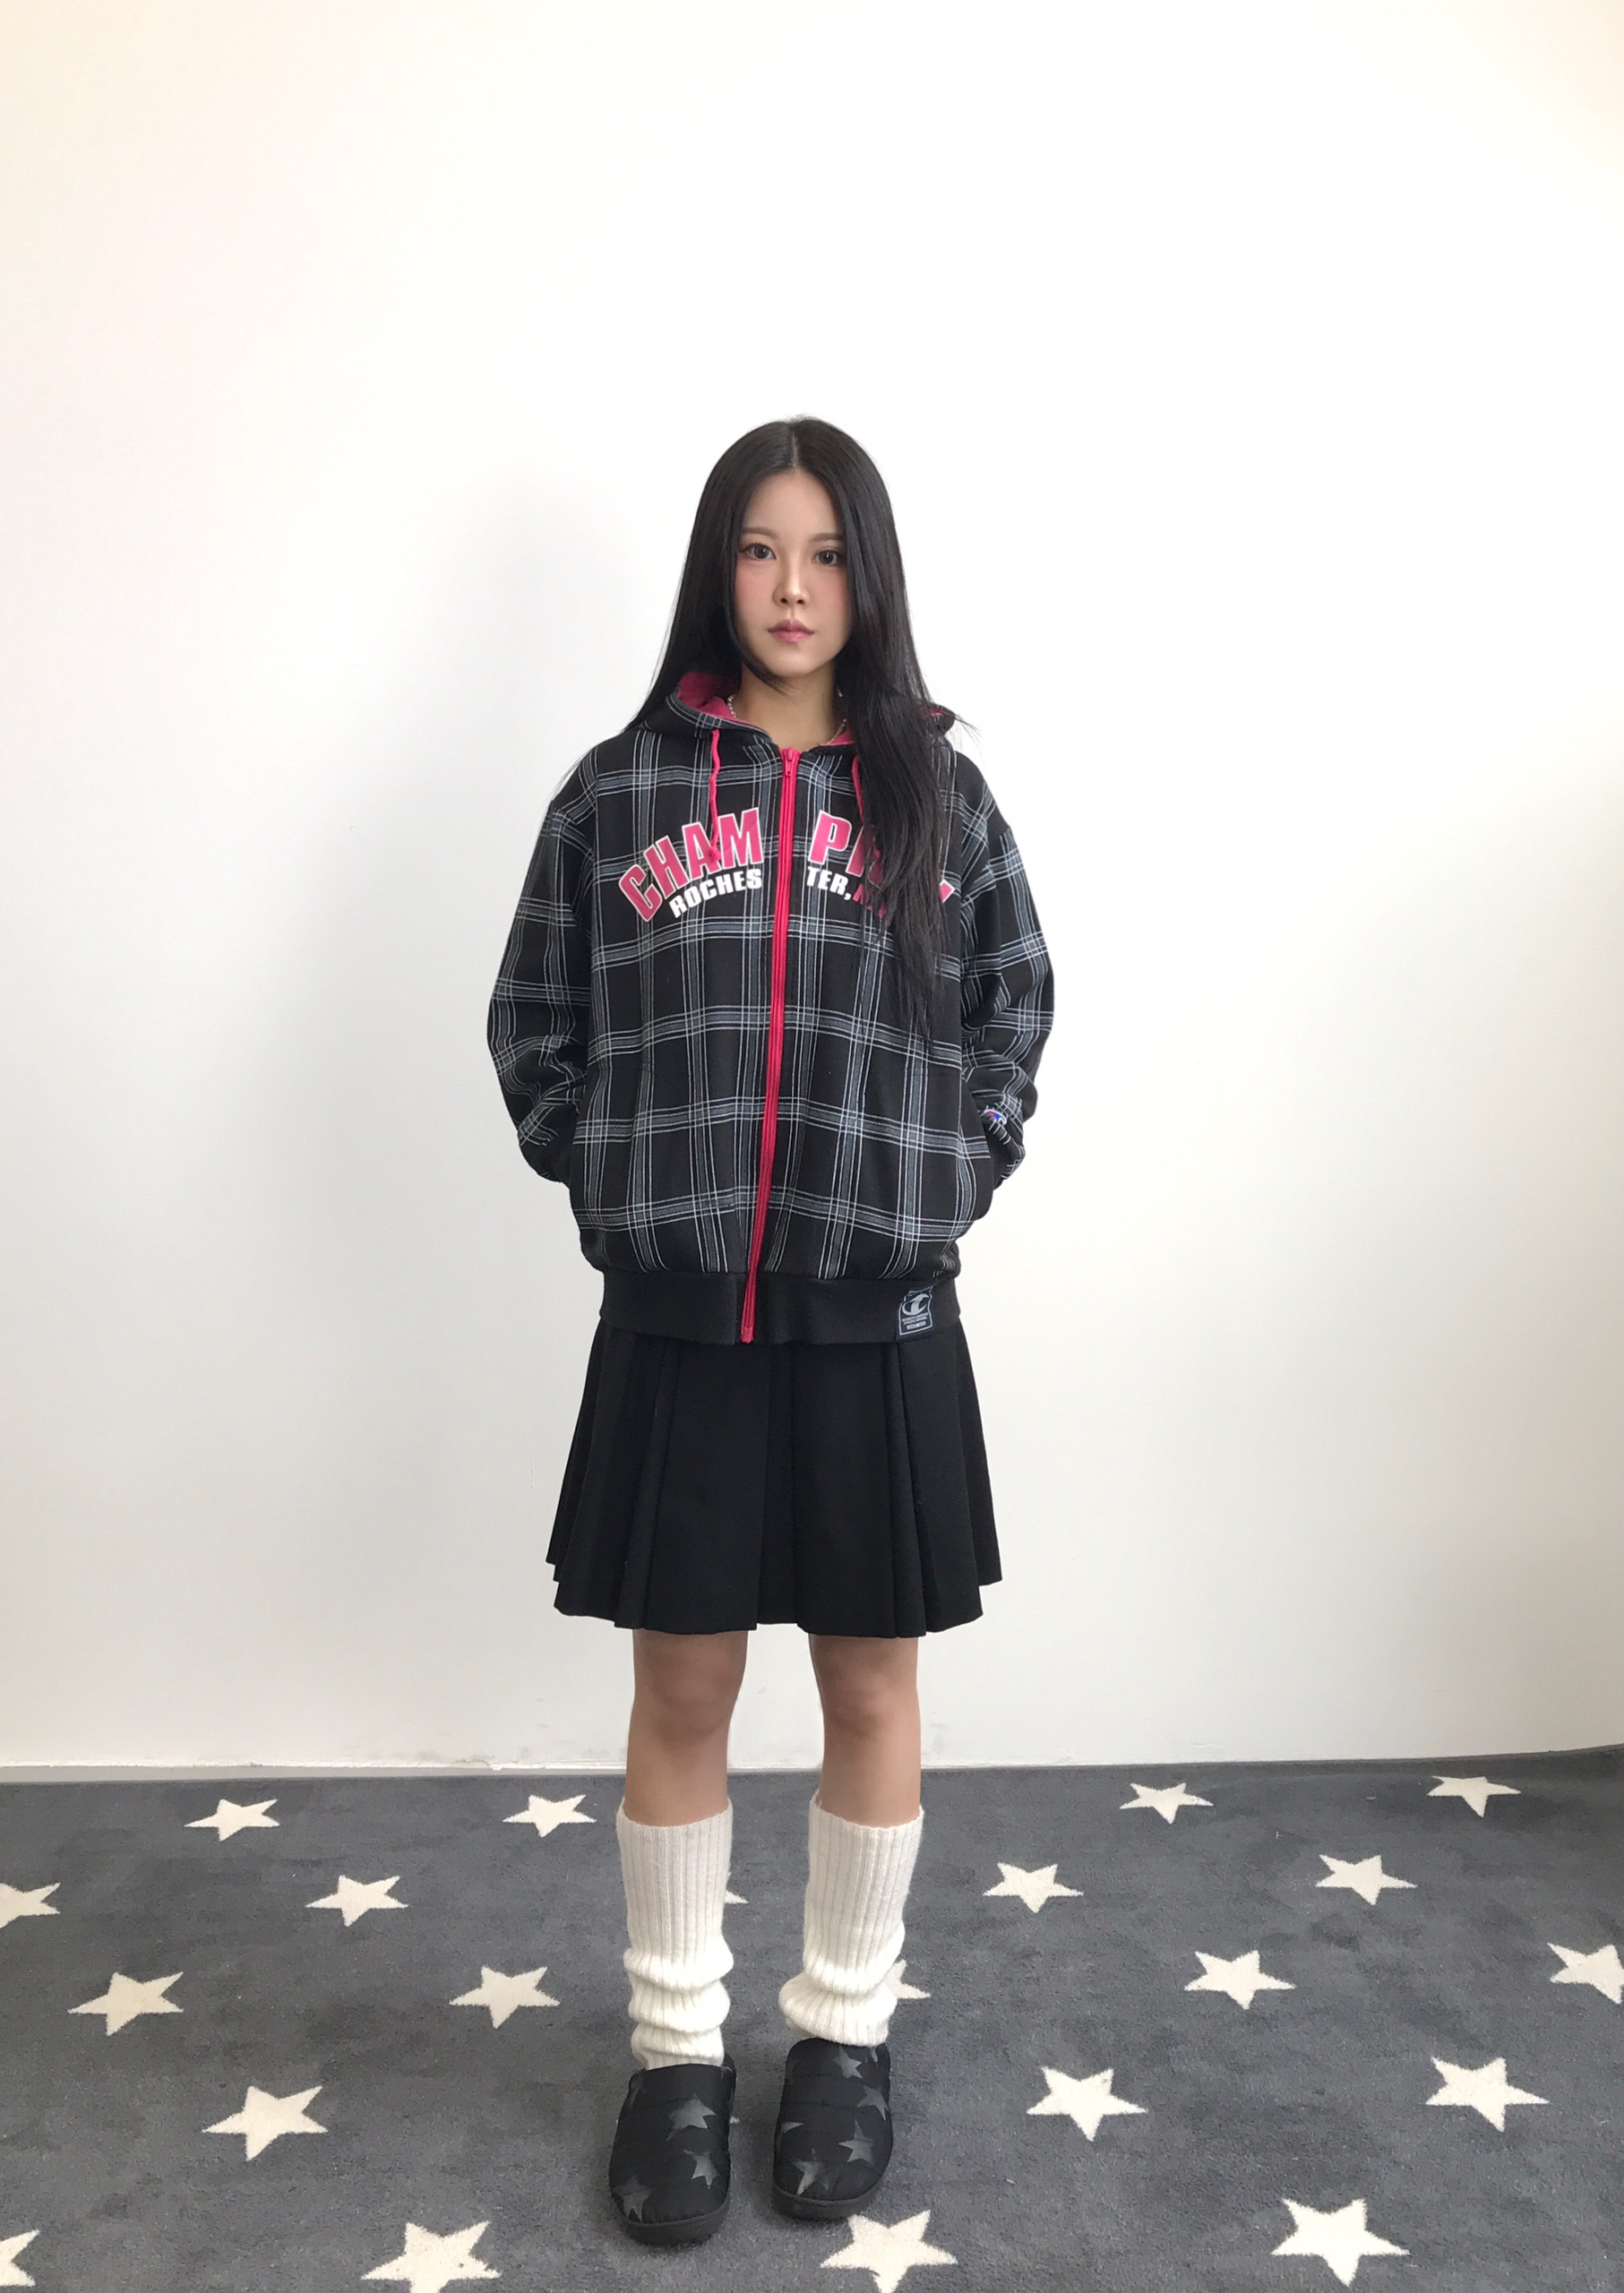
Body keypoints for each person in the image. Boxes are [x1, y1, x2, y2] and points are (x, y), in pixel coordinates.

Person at [488, 416, 1052, 2246]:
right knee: (682, 1688)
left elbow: (1013, 1013)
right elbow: (535, 1016)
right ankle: (675, 2058)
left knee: (872, 1683)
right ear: (715, 568)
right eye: (757, 548)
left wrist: (943, 1173)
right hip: (681, 1320)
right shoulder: (623, 791)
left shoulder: (937, 799)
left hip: (879, 1317)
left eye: (824, 552)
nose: (792, 587)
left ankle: (844, 2038)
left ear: (868, 576)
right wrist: (615, 1168)